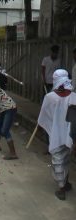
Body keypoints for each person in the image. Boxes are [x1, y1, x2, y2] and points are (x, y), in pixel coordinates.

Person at [38, 69, 76, 200]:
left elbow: (45, 115)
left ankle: (61, 188)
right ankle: (65, 182)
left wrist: (48, 128)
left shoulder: (49, 97)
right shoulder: (74, 97)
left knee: (57, 160)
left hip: (56, 134)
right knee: (65, 159)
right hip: (69, 135)